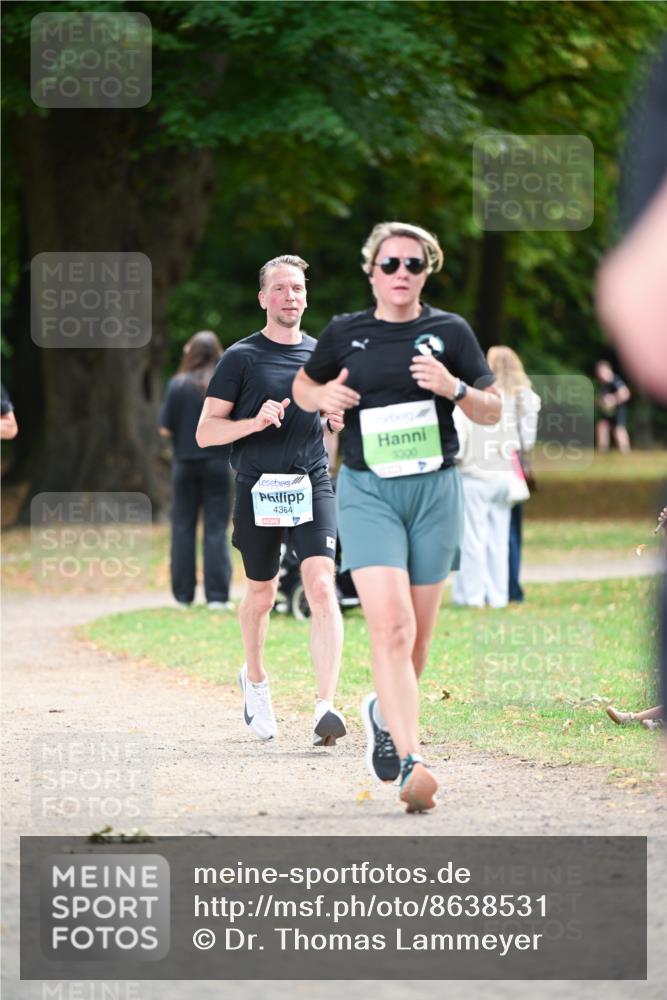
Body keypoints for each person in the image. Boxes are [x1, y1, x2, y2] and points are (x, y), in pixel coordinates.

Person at [292, 221, 501, 812]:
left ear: (426, 271)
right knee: (393, 628)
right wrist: (323, 398)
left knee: (418, 643)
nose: (401, 273)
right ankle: (413, 763)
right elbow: (305, 388)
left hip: (435, 491)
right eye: (391, 264)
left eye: (413, 264)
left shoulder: (449, 332)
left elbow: (492, 411)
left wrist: (453, 387)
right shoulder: (345, 333)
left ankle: (383, 713)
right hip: (368, 491)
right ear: (372, 271)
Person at [196, 255, 347, 747]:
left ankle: (325, 705)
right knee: (261, 594)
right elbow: (205, 432)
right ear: (263, 298)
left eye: (297, 288)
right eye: (280, 288)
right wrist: (253, 423)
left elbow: (328, 427)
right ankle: (255, 681)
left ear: (307, 295)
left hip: (311, 483)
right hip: (259, 487)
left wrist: (333, 426)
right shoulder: (241, 357)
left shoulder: (323, 357)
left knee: (322, 586)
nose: (290, 296)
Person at [451, 346, 540, 609]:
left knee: (473, 540)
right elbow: (517, 442)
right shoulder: (504, 403)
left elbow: (458, 445)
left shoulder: (467, 404)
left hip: (475, 477)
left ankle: (475, 596)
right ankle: (499, 596)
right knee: (499, 539)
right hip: (503, 477)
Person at [159, 331, 233, 610]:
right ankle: (217, 597)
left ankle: (183, 596)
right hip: (217, 463)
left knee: (182, 528)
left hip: (185, 464)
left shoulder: (177, 385)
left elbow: (164, 427)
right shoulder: (223, 383)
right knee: (216, 529)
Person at [594, 360, 631, 454]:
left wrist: (613, 399)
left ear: (607, 370)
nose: (599, 375)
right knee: (602, 426)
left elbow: (626, 393)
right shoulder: (603, 383)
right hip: (608, 411)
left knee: (619, 430)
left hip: (618, 410)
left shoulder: (615, 380)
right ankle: (602, 451)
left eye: (601, 372)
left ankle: (625, 452)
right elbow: (602, 399)